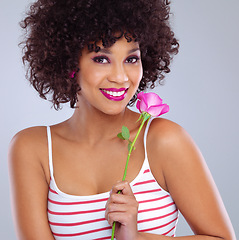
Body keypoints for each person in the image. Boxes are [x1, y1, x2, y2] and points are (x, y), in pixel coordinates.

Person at [8, 0, 236, 239]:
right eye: (101, 59)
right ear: (69, 64)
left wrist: (136, 237)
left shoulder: (164, 140)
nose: (120, 77)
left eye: (131, 59)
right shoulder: (33, 149)